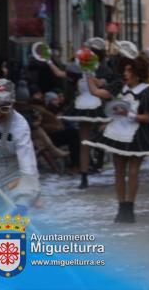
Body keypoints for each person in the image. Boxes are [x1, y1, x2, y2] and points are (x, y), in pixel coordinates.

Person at [83, 54, 149, 223]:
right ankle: (121, 208)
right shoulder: (119, 87)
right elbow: (95, 91)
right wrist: (88, 72)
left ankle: (130, 208)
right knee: (118, 172)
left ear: (138, 72)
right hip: (117, 132)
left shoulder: (147, 91)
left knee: (133, 172)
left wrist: (129, 114)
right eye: (124, 70)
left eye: (130, 70)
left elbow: (147, 118)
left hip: (138, 134)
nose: (126, 74)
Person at [49, 43, 110, 189]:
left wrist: (92, 76)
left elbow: (102, 84)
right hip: (83, 107)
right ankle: (84, 175)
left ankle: (94, 164)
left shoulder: (97, 75)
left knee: (96, 137)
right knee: (84, 143)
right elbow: (59, 73)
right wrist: (48, 61)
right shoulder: (78, 75)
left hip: (95, 107)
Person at [0, 79, 40, 214]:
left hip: (11, 177)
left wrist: (24, 200)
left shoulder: (20, 126)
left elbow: (27, 165)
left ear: (12, 105)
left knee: (9, 219)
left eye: (4, 108)